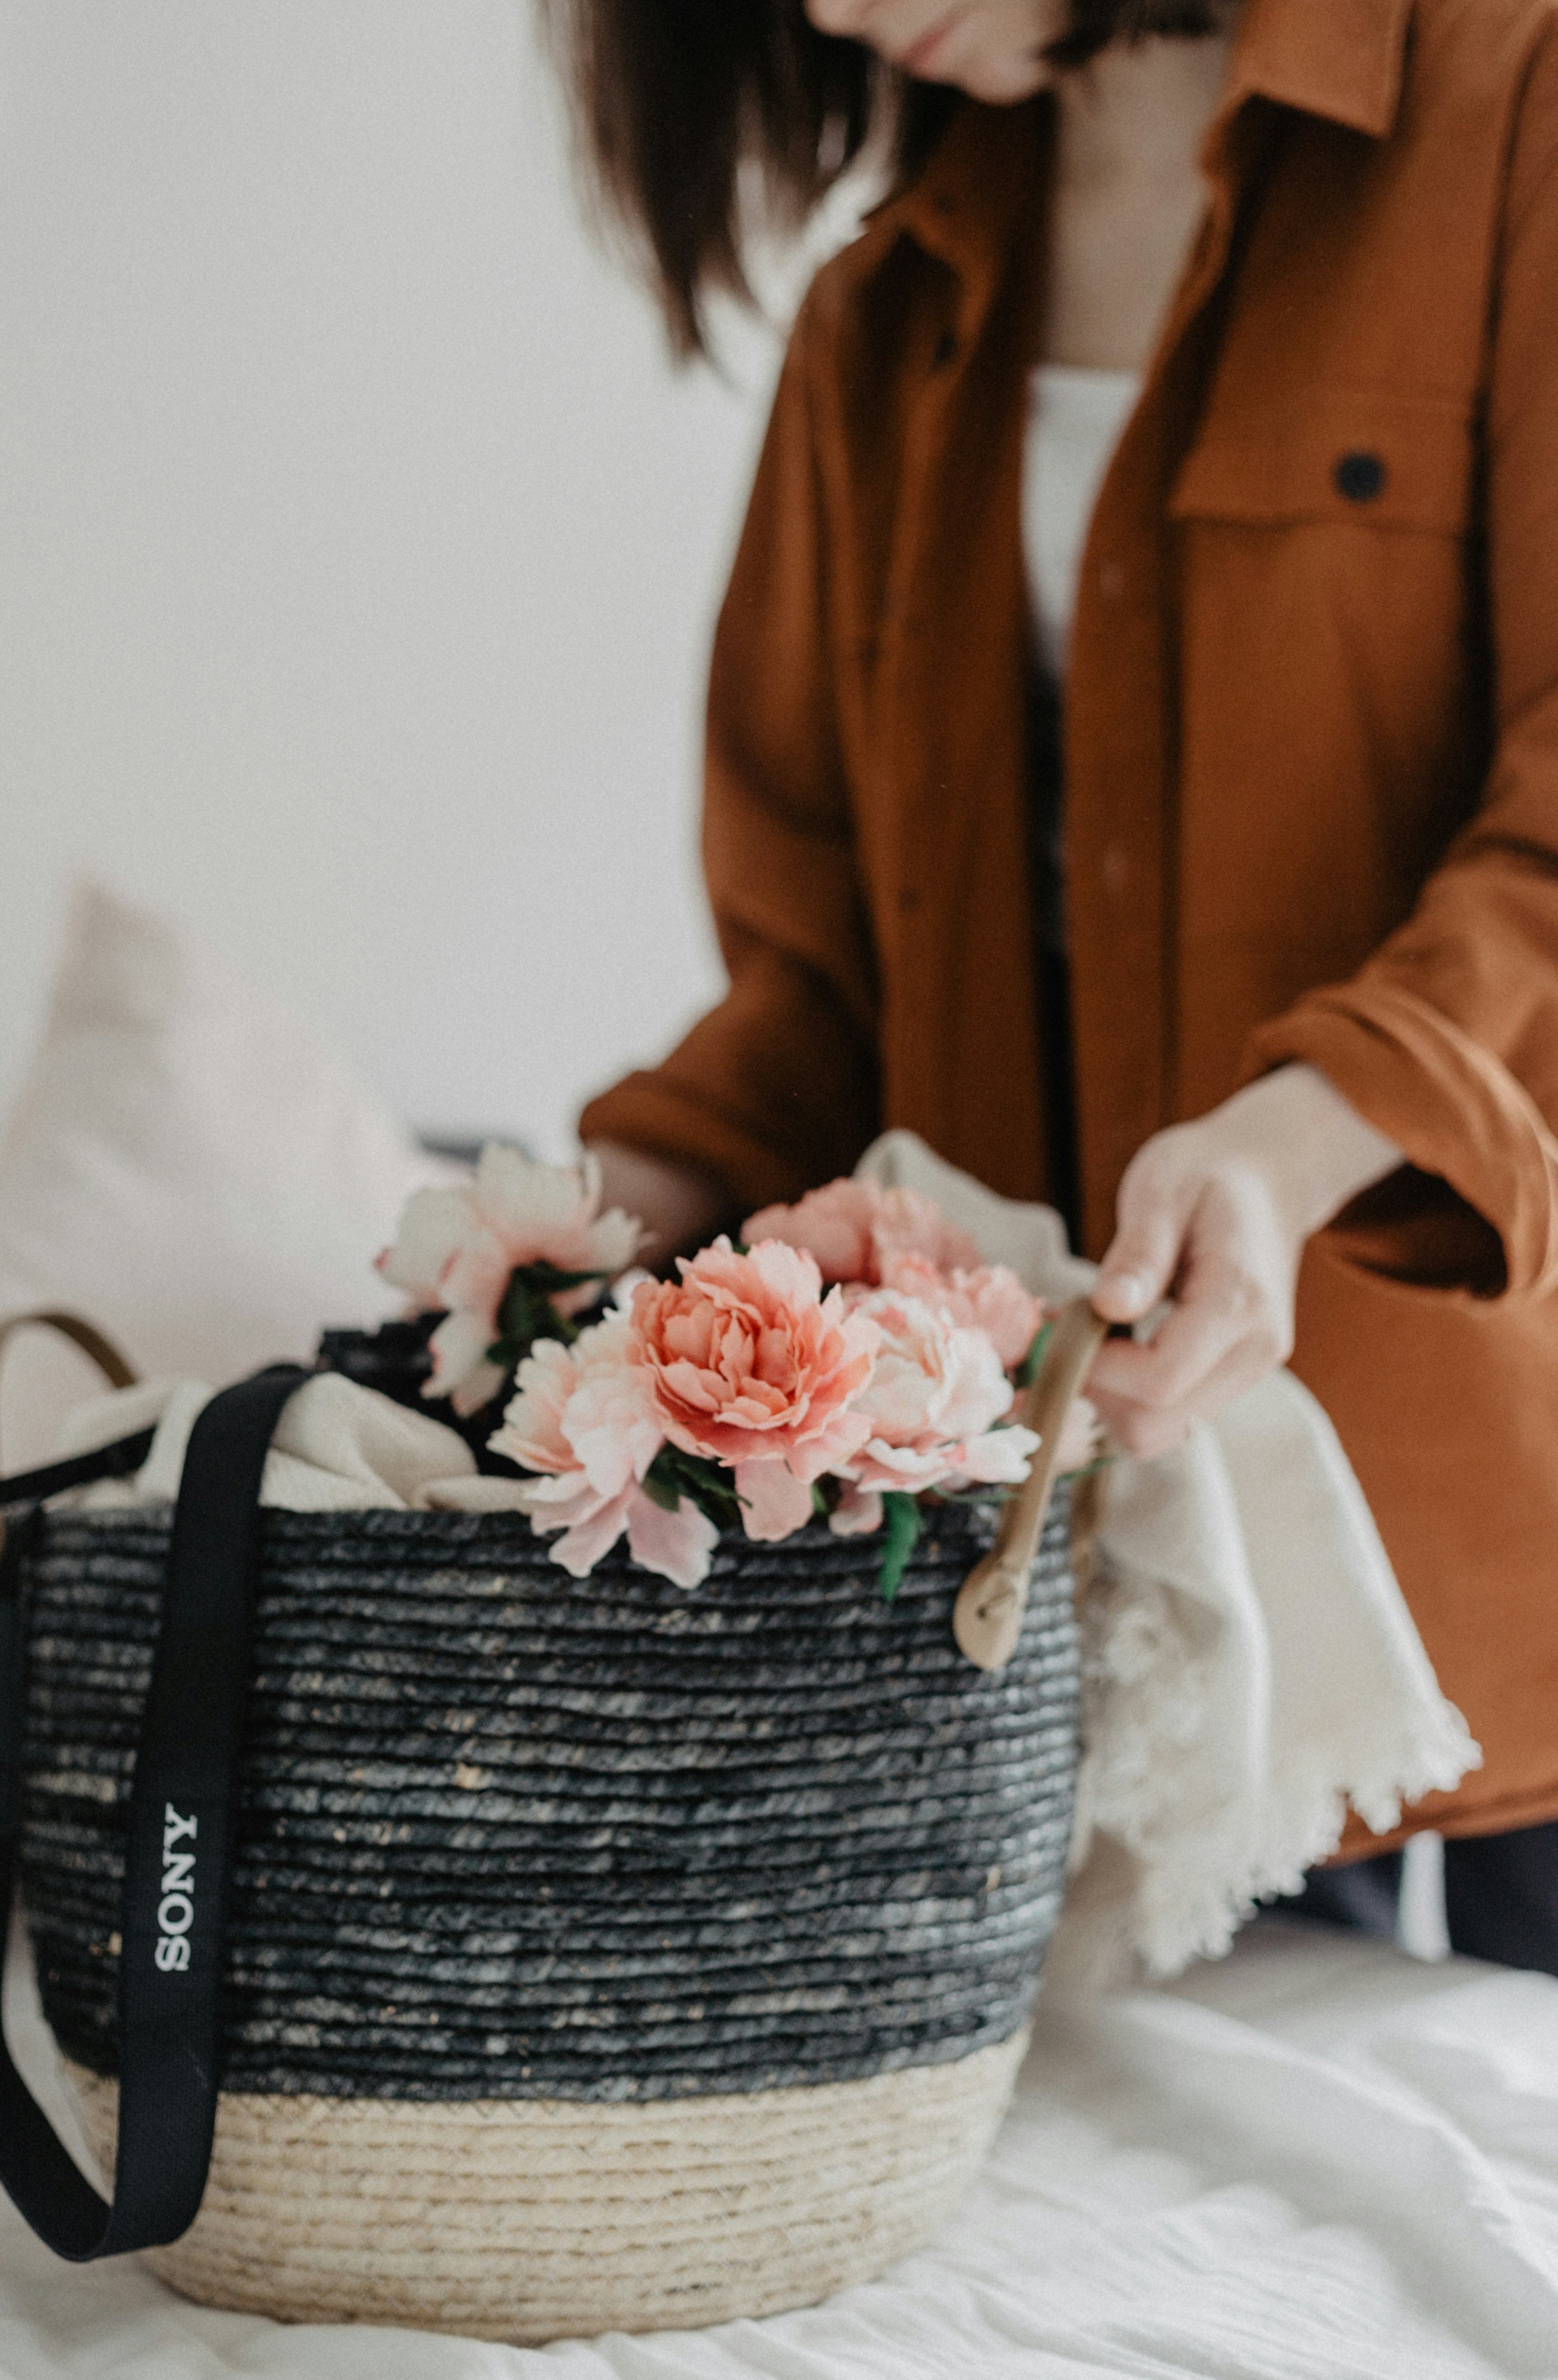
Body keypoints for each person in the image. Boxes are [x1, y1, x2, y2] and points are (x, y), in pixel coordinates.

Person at [547, 0, 1558, 1970]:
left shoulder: (1513, 101)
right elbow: (825, 988)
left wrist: (1300, 1134)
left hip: (1491, 1581)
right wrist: (567, 1251)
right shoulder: (887, 313)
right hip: (1067, 1625)